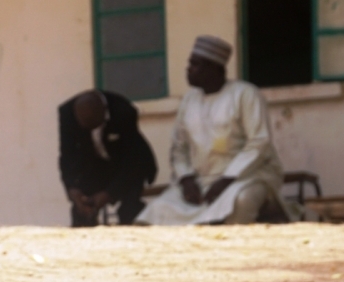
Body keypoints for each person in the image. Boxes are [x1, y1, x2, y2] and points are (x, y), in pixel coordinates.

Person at [136, 35, 285, 225]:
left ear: (214, 68)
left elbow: (259, 142)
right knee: (157, 210)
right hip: (201, 181)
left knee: (240, 202)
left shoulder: (245, 94)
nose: (188, 69)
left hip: (249, 177)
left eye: (195, 64)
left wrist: (227, 179)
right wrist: (186, 178)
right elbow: (179, 149)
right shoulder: (189, 101)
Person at [58, 90, 157, 227]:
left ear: (104, 112)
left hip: (130, 165)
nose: (92, 132)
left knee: (129, 209)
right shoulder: (66, 114)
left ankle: (134, 241)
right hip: (95, 164)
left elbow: (132, 160)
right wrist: (72, 188)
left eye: (95, 125)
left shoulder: (124, 111)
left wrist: (109, 193)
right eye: (86, 128)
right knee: (81, 209)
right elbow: (67, 156)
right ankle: (83, 242)